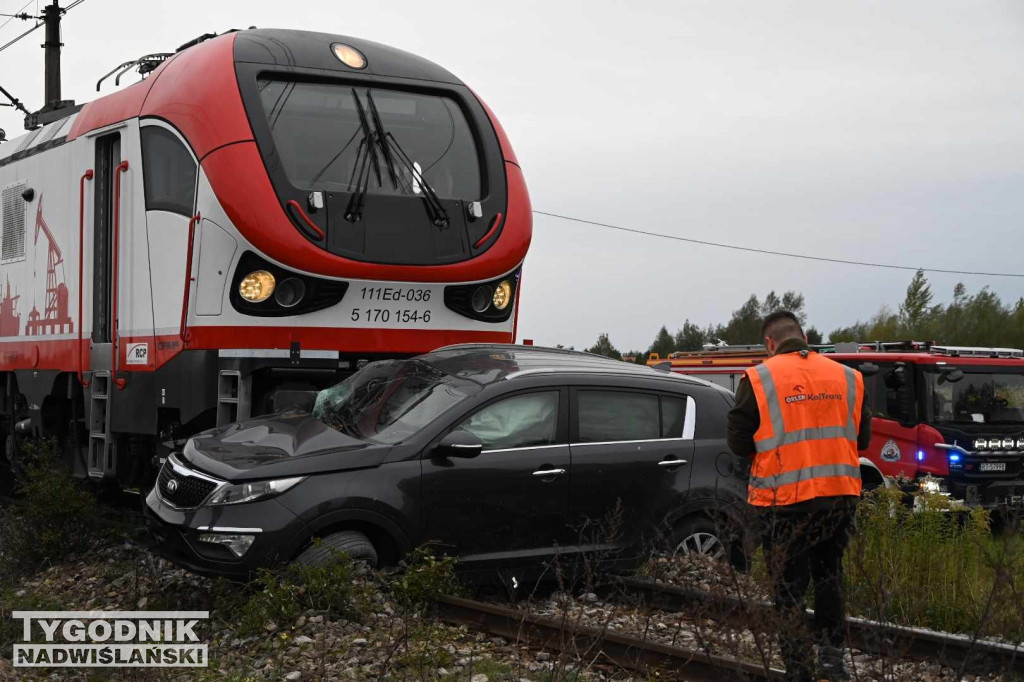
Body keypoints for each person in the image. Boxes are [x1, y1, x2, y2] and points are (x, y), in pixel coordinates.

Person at [727, 311, 871, 682]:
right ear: (804, 336)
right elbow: (863, 440)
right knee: (829, 578)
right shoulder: (849, 378)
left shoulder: (759, 379)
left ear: (769, 344)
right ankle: (832, 660)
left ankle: (798, 669)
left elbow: (739, 442)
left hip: (784, 501)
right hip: (839, 496)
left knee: (789, 589)